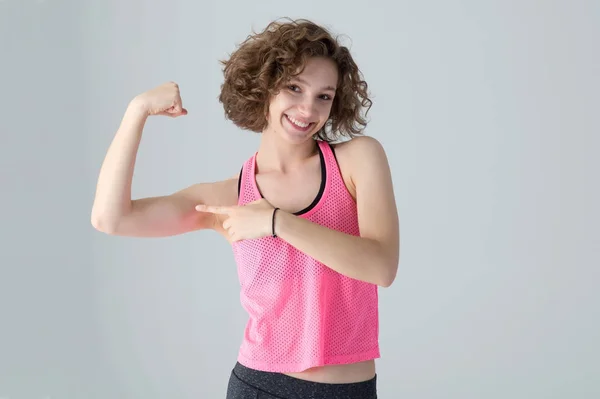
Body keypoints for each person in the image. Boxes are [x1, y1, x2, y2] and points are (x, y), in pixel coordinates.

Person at [91, 18, 399, 399]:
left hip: (351, 388)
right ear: (265, 87)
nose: (307, 108)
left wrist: (276, 222)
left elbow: (381, 267)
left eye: (324, 95)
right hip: (261, 386)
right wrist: (136, 111)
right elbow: (111, 218)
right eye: (294, 88)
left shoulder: (358, 160)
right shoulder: (229, 198)